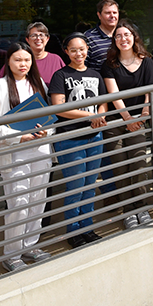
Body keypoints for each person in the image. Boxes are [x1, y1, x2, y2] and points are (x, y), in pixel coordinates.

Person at [0, 42, 53, 271]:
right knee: (19, 202)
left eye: (27, 60)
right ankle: (11, 254)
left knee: (38, 200)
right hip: (14, 152)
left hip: (40, 149)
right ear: (9, 62)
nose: (23, 64)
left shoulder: (38, 83)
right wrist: (19, 136)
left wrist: (45, 131)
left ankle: (30, 245)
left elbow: (49, 117)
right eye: (18, 60)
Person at [48, 33, 107, 248]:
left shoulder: (95, 74)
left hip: (95, 136)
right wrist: (91, 117)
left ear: (87, 50)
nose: (78, 54)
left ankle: (87, 228)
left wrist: (100, 114)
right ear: (66, 52)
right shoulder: (60, 75)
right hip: (71, 139)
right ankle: (73, 232)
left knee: (90, 186)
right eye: (73, 50)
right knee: (75, 186)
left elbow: (103, 101)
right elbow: (60, 107)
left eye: (82, 49)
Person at [101, 20, 153, 230]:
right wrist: (127, 118)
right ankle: (129, 211)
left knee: (138, 165)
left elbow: (150, 90)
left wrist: (143, 115)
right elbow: (114, 94)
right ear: (114, 41)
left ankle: (141, 207)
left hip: (139, 121)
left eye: (126, 35)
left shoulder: (147, 62)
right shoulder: (109, 65)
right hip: (117, 122)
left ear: (134, 37)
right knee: (121, 168)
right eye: (118, 36)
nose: (123, 39)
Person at [0, 22, 65, 84]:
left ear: (47, 39)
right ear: (27, 40)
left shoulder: (56, 59)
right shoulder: (18, 59)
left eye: (41, 35)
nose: (38, 38)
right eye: (34, 35)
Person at [85, 0, 120, 70]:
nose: (112, 16)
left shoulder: (125, 35)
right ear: (99, 15)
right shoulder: (88, 37)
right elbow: (81, 67)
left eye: (115, 12)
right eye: (108, 13)